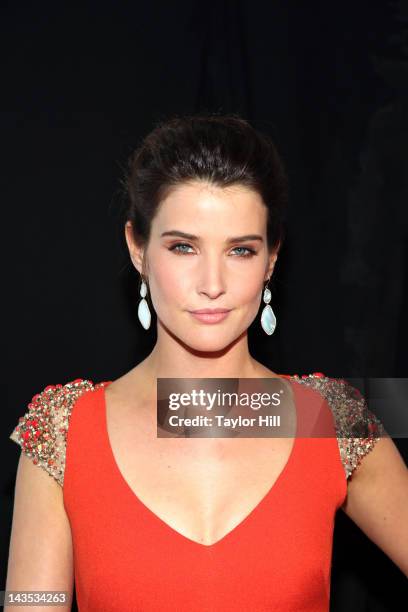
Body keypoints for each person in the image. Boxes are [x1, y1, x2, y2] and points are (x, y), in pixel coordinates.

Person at [5, 114, 408, 612]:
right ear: (138, 249)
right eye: (183, 247)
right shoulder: (63, 430)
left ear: (271, 259)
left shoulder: (335, 420)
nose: (212, 282)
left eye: (240, 250)